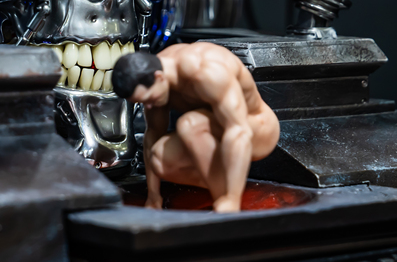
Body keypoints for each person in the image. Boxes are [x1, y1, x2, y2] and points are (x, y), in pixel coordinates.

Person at [113, 42, 280, 212]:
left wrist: (232, 198)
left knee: (190, 125)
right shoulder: (156, 76)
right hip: (214, 132)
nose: (148, 106)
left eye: (149, 99)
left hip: (257, 129)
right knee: (160, 158)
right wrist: (153, 197)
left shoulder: (206, 72)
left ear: (159, 77)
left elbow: (238, 131)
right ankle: (222, 195)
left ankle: (228, 203)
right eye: (142, 102)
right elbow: (153, 133)